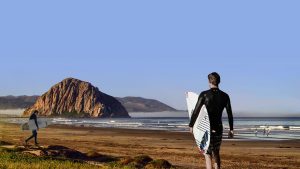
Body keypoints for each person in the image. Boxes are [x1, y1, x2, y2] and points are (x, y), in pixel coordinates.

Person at [189, 72, 234, 169]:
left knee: (207, 154)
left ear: (209, 81)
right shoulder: (225, 96)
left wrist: (191, 125)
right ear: (219, 82)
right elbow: (230, 114)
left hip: (206, 128)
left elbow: (196, 111)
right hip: (218, 128)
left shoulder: (204, 94)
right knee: (216, 152)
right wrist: (231, 129)